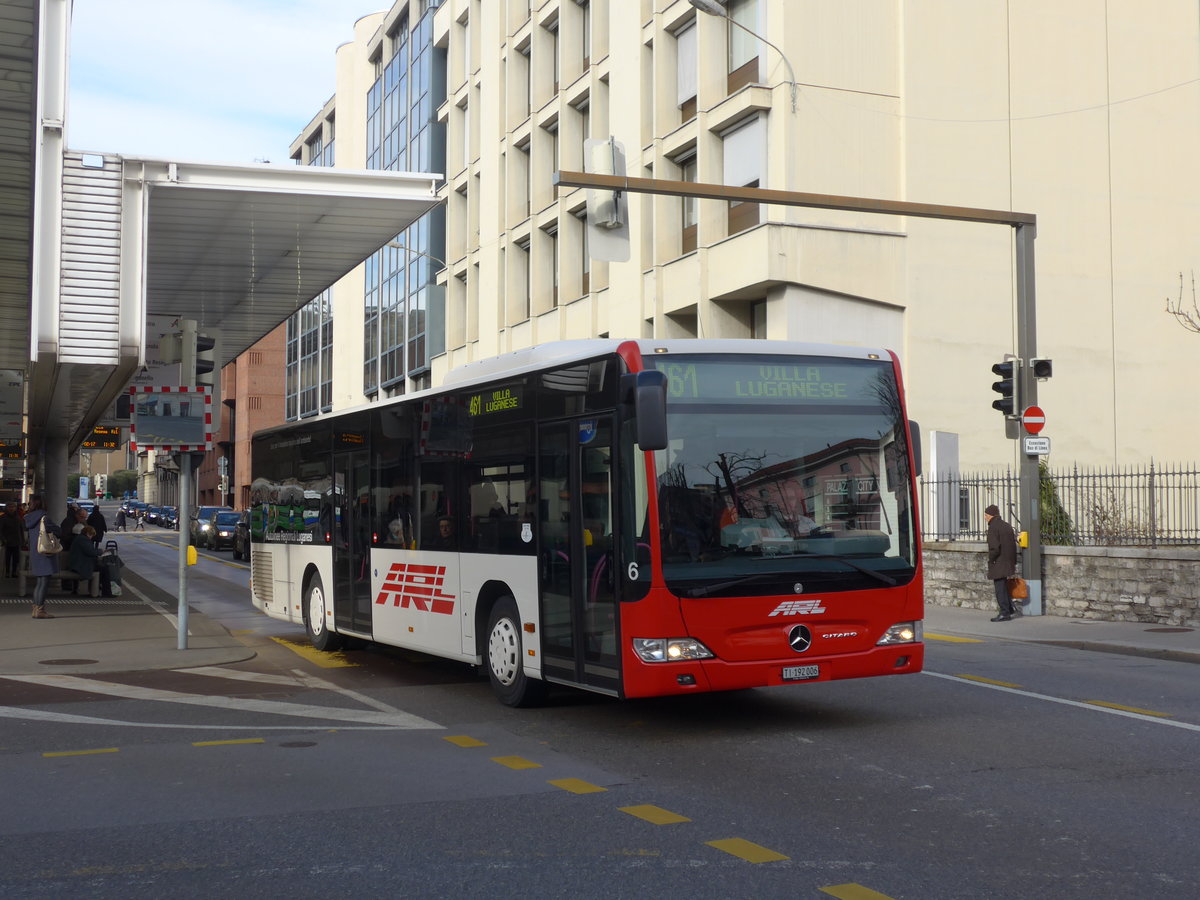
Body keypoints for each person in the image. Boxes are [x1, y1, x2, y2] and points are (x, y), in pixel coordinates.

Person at [24, 495, 59, 619]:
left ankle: (35, 609)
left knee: (39, 582)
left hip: (35, 552)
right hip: (45, 553)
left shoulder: (29, 518)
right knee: (44, 582)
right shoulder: (44, 518)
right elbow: (58, 531)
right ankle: (40, 610)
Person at [984, 504, 1019, 622]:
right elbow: (1013, 545)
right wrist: (1013, 562)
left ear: (990, 515)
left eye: (986, 515)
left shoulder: (993, 527)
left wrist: (991, 559)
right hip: (1008, 561)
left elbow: (994, 548)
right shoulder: (1007, 526)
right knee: (1004, 586)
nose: (985, 517)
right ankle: (1009, 609)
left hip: (999, 562)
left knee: (999, 588)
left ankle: (1004, 612)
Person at [66, 524, 101, 592]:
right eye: (91, 535)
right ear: (87, 533)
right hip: (79, 566)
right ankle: (95, 590)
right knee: (102, 569)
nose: (91, 537)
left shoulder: (80, 538)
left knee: (99, 567)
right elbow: (91, 551)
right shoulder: (83, 540)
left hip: (76, 564)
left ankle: (93, 589)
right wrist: (101, 551)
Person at [0, 501, 22, 577]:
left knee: (16, 558)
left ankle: (14, 572)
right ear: (6, 508)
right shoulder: (3, 518)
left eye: (13, 507)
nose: (11, 508)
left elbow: (21, 529)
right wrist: (3, 539)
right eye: (10, 507)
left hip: (16, 540)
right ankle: (7, 572)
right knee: (7, 558)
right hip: (7, 541)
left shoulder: (18, 517)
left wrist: (22, 540)